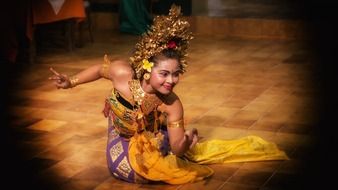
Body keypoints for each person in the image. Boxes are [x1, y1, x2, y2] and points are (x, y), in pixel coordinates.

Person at [49, 5, 288, 184]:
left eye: (176, 74)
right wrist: (70, 81)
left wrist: (187, 141)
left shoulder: (173, 105)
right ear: (146, 69)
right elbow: (99, 70)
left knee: (174, 165)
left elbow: (177, 148)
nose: (171, 81)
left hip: (151, 134)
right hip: (121, 138)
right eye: (164, 74)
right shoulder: (123, 74)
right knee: (140, 173)